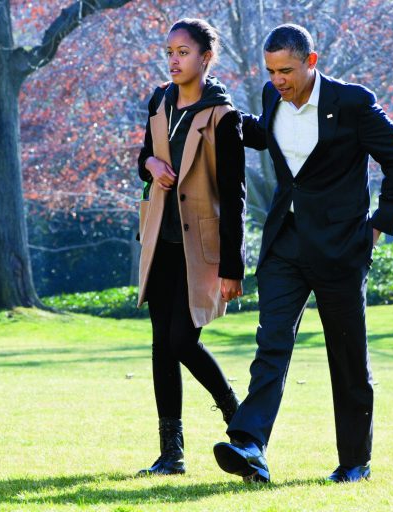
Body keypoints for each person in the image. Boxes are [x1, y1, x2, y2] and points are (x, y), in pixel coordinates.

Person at [212, 24, 393, 483]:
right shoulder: (272, 96)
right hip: (285, 243)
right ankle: (249, 444)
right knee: (272, 343)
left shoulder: (353, 103)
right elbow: (269, 135)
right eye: (271, 71)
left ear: (311, 61)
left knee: (347, 356)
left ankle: (354, 462)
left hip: (341, 249)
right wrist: (223, 116)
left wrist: (377, 227)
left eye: (286, 70)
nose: (278, 79)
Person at [135, 18, 247, 477]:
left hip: (199, 246)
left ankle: (239, 418)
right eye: (170, 52)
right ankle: (171, 454)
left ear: (206, 57)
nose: (174, 60)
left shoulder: (223, 116)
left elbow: (234, 196)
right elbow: (143, 158)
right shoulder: (159, 101)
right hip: (158, 241)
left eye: (183, 52)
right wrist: (151, 163)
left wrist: (233, 266)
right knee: (162, 346)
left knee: (182, 340)